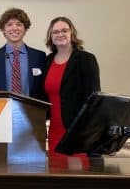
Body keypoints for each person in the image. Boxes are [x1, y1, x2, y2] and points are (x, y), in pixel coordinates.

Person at [43, 16, 100, 169]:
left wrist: (83, 135)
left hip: (77, 134)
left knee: (75, 180)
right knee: (56, 177)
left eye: (64, 30)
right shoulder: (47, 61)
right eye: (55, 32)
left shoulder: (85, 60)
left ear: (72, 34)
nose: (60, 34)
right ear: (50, 36)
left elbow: (94, 101)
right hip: (54, 132)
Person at [0, 8, 46, 99]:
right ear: (3, 29)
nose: (14, 28)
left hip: (33, 110)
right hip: (0, 111)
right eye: (9, 24)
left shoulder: (39, 57)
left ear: (25, 29)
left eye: (19, 24)